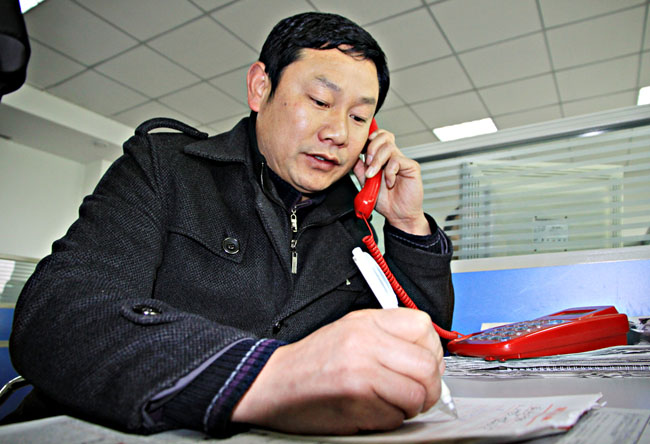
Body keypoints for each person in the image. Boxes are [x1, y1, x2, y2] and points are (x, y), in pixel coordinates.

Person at [7, 12, 454, 437]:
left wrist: (407, 223)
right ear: (260, 88)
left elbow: (419, 345)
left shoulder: (352, 228)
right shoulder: (164, 167)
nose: (339, 132)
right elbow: (58, 315)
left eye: (358, 117)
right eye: (320, 101)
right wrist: (272, 377)